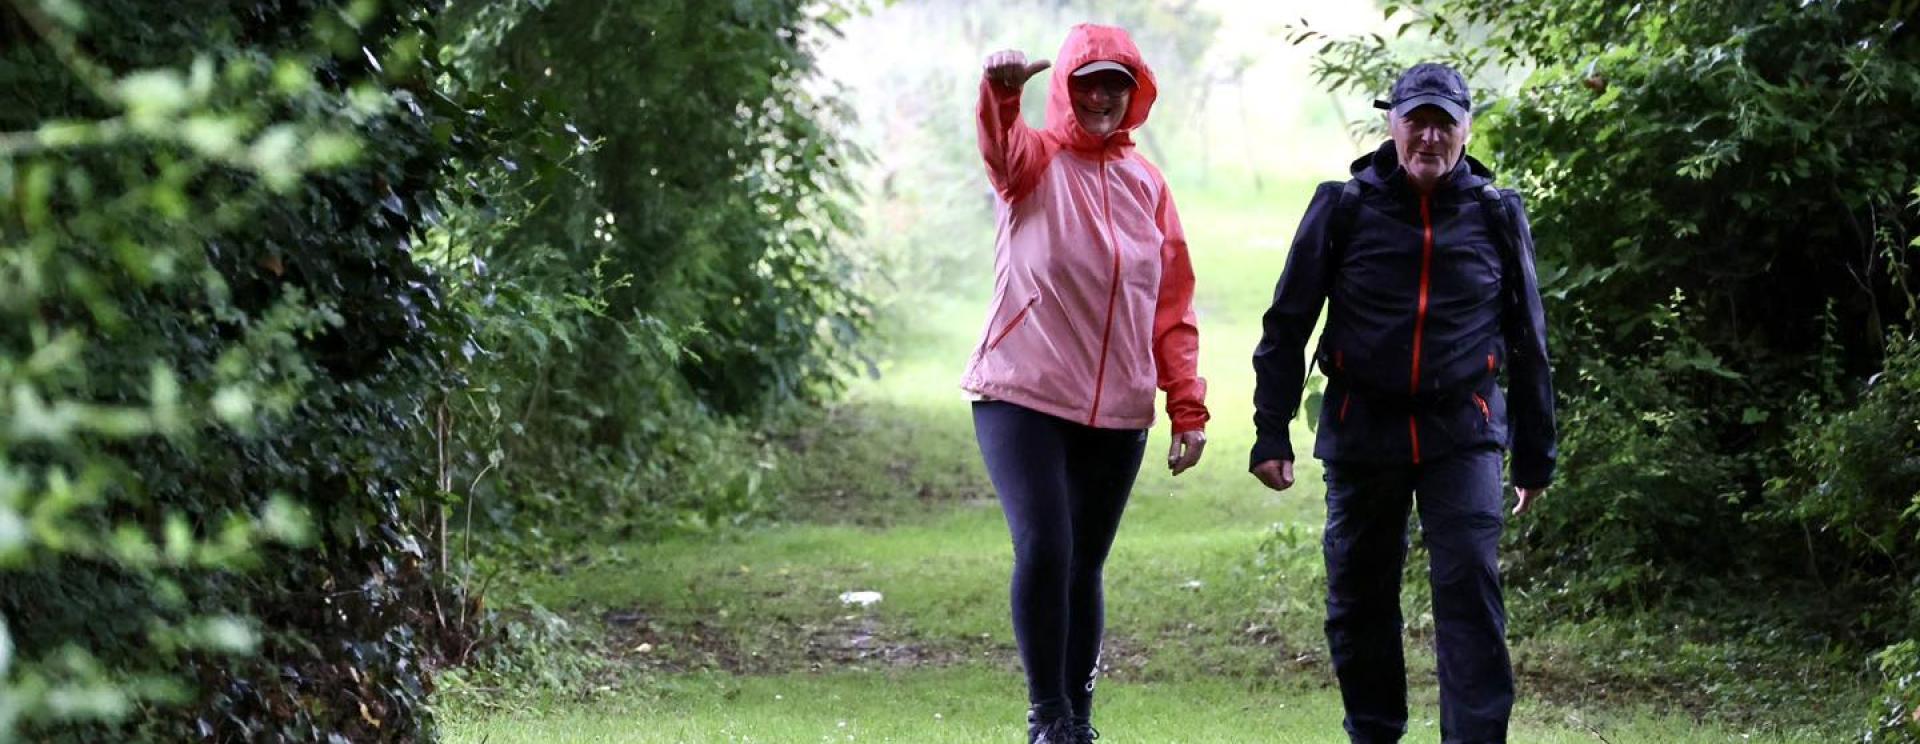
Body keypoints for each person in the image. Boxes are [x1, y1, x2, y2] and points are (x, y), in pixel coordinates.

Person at [1248, 62, 1558, 744]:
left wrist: (1535, 454)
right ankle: (1374, 731)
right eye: (1415, 121)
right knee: (1358, 598)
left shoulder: (1495, 213)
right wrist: (1271, 432)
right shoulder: (1344, 207)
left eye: (1443, 123)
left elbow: (1528, 338)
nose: (1428, 138)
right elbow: (1287, 323)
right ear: (1391, 125)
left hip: (1463, 431)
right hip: (1365, 430)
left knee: (1469, 588)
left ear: (1466, 130)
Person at [964, 23, 1209, 744]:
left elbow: (1171, 303)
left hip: (1119, 410)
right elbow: (999, 151)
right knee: (1046, 547)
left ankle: (1079, 721)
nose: (1102, 96)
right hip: (1023, 392)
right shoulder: (1035, 162)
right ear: (1067, 89)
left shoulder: (1147, 185)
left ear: (1134, 95)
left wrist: (1185, 405)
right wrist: (1002, 94)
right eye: (1089, 83)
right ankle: (1047, 717)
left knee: (1085, 564)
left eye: (1116, 85)